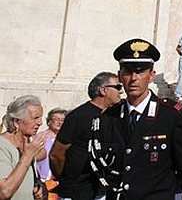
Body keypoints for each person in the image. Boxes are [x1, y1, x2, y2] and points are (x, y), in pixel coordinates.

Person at [92, 38, 182, 199]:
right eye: (128, 72)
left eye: (140, 71)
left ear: (151, 75)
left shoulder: (171, 116)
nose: (133, 78)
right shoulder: (110, 116)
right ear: (120, 76)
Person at [51, 72, 122, 200]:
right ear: (103, 90)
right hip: (75, 192)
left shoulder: (113, 116)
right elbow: (56, 154)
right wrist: (67, 178)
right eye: (117, 87)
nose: (121, 92)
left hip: (101, 190)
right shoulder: (78, 116)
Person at [0, 95, 48, 199]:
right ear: (17, 122)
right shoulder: (2, 146)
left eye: (40, 118)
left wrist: (38, 187)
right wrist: (27, 156)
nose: (40, 123)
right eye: (35, 118)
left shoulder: (28, 143)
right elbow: (4, 192)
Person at [36, 108, 67, 182]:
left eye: (62, 120)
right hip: (43, 179)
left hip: (60, 179)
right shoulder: (40, 137)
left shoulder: (66, 139)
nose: (60, 122)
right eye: (57, 119)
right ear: (49, 121)